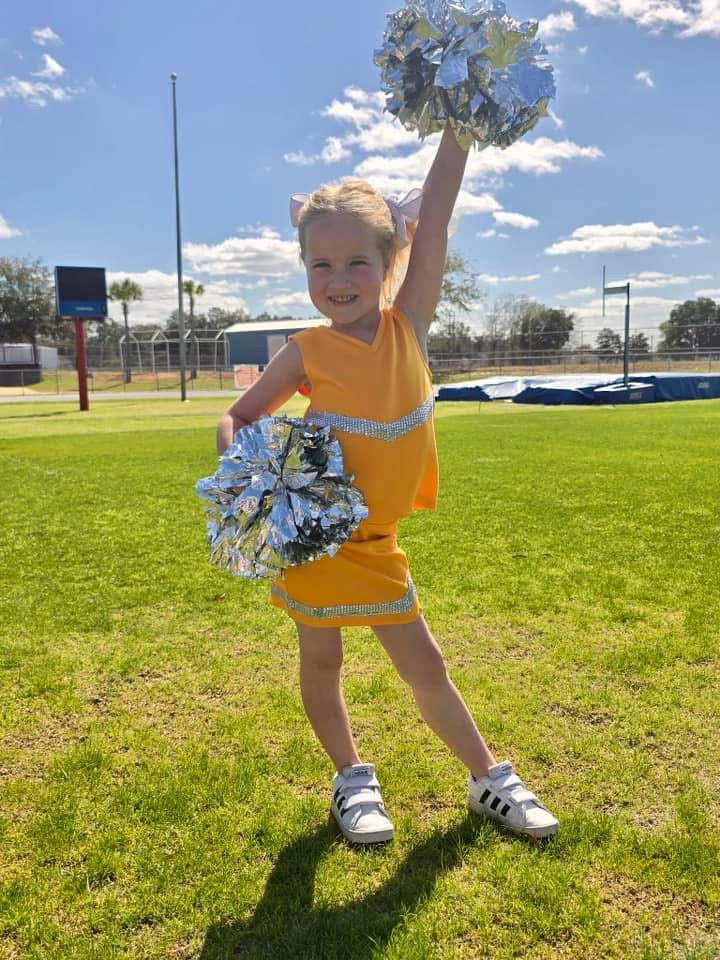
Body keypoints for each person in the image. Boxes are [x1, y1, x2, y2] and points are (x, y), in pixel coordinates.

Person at [216, 125, 559, 846]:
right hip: (319, 541)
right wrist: (249, 478)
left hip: (377, 542)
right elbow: (239, 415)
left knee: (423, 663)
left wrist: (459, 134)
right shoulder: (305, 349)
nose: (337, 281)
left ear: (388, 259)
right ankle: (351, 778)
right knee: (323, 658)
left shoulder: (411, 326)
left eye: (355, 263)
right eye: (320, 265)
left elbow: (433, 216)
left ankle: (488, 779)